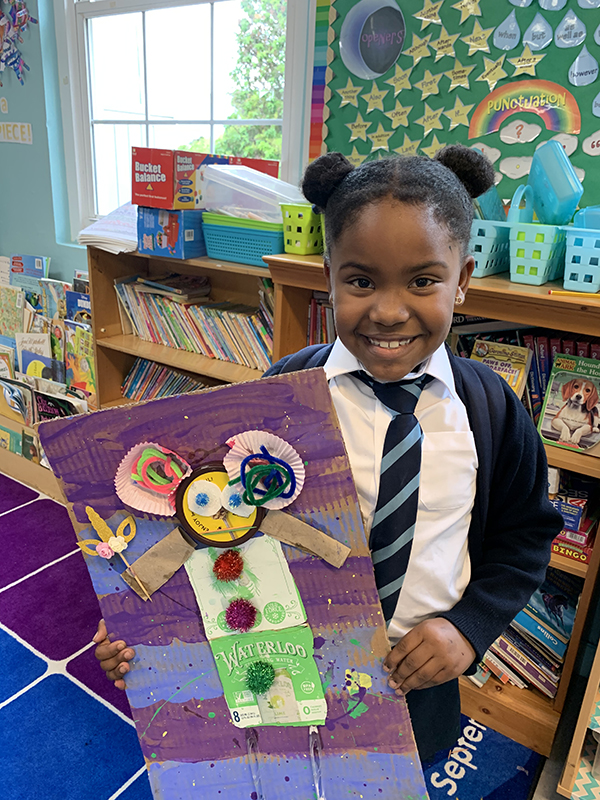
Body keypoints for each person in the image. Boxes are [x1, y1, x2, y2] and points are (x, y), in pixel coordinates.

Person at [94, 145, 563, 760]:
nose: (389, 311)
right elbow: (214, 520)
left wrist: (469, 628)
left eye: (423, 281)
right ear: (328, 278)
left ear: (464, 281)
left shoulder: (491, 408)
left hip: (417, 676)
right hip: (285, 664)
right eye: (361, 281)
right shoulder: (282, 394)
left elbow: (524, 536)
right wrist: (142, 619)